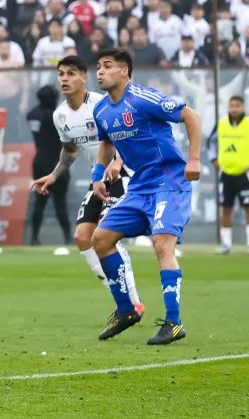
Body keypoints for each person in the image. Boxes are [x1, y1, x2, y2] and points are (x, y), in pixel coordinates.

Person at [90, 48, 201, 345]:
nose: (100, 71)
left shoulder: (143, 98)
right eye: (98, 66)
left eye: (108, 66)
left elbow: (191, 116)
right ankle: (127, 310)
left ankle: (174, 323)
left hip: (170, 180)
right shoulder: (101, 110)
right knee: (100, 239)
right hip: (140, 186)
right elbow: (105, 144)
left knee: (162, 243)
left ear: (124, 71)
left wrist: (194, 159)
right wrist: (98, 176)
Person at [32, 56, 142, 312]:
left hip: (126, 173)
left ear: (84, 77)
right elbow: (70, 150)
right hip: (99, 179)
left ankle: (132, 304)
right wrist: (54, 175)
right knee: (82, 238)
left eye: (71, 74)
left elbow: (131, 135)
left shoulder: (103, 104)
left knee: (105, 237)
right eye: (61, 74)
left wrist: (119, 160)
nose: (65, 79)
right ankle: (122, 298)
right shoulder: (60, 115)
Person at [26, 85, 71, 246]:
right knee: (60, 202)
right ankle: (68, 238)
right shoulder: (54, 117)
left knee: (39, 202)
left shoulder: (32, 115)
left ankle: (34, 238)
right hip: (57, 163)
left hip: (38, 161)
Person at [207, 96, 249, 254]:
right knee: (226, 208)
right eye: (231, 105)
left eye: (237, 105)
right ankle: (226, 244)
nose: (234, 108)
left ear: (243, 107)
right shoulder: (222, 124)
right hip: (226, 173)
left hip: (245, 173)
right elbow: (210, 142)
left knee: (248, 208)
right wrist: (214, 160)